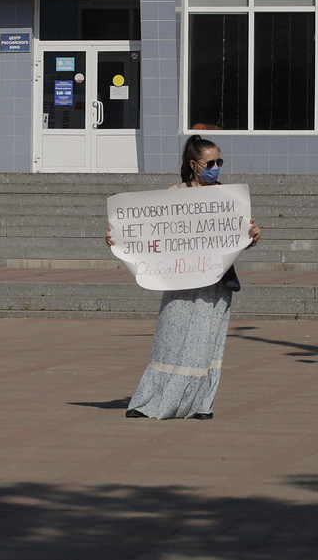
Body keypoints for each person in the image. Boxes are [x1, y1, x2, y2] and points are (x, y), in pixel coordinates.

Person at [105, 135, 261, 420]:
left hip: (214, 283)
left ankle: (201, 404)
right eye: (209, 163)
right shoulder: (175, 195)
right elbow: (148, 232)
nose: (215, 168)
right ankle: (149, 401)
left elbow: (236, 241)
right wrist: (119, 237)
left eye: (219, 162)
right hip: (179, 279)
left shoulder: (228, 199)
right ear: (194, 165)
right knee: (169, 339)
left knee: (203, 344)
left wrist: (251, 237)